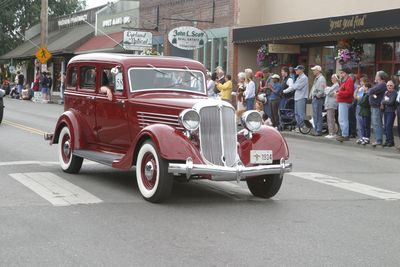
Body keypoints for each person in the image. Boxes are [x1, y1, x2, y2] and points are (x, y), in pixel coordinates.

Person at [283, 65, 308, 131]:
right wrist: (294, 86)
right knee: (296, 113)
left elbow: (297, 87)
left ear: (301, 70)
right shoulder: (298, 78)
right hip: (297, 97)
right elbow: (294, 86)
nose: (296, 71)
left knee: (301, 113)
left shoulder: (304, 77)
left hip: (301, 97)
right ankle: (298, 126)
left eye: (297, 69)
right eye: (296, 69)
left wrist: (293, 87)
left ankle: (303, 127)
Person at [369, 70, 388, 146]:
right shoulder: (378, 84)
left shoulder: (382, 85)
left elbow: (370, 91)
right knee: (375, 123)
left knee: (377, 123)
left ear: (380, 77)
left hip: (377, 107)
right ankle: (378, 139)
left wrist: (371, 92)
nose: (375, 77)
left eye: (377, 75)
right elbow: (371, 92)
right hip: (374, 106)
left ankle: (379, 140)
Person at [335, 67, 354, 142]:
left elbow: (348, 92)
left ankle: (345, 134)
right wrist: (338, 92)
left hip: (345, 101)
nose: (341, 74)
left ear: (345, 73)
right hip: (342, 100)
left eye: (342, 72)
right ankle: (343, 133)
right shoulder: (344, 81)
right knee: (341, 118)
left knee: (343, 119)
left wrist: (338, 93)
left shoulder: (349, 80)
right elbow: (341, 89)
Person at [310, 65, 327, 136]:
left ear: (318, 71)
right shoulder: (317, 78)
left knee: (318, 114)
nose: (313, 71)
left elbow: (322, 90)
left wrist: (317, 96)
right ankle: (317, 129)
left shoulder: (321, 79)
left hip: (318, 99)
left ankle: (319, 130)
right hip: (316, 98)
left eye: (314, 70)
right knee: (315, 114)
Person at [381, 80, 397, 147]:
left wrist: (383, 102)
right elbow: (382, 99)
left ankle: (391, 141)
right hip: (386, 111)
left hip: (391, 111)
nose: (389, 86)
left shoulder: (394, 93)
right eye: (388, 85)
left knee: (388, 126)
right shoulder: (386, 92)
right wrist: (383, 102)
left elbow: (391, 102)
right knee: (385, 127)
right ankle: (387, 140)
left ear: (393, 86)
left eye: (391, 85)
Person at [324, 74, 340, 138]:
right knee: (329, 119)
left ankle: (332, 133)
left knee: (331, 119)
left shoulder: (336, 85)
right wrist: (327, 90)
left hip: (332, 104)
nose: (331, 79)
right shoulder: (333, 85)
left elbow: (328, 93)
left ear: (336, 79)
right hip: (329, 104)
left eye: (333, 78)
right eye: (331, 78)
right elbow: (328, 92)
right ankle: (331, 132)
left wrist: (326, 89)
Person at [354, 76, 368, 144]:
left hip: (360, 106)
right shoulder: (363, 88)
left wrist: (357, 90)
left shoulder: (362, 89)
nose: (360, 82)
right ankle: (362, 137)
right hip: (360, 106)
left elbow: (357, 97)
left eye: (361, 81)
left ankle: (362, 137)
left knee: (360, 122)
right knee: (360, 122)